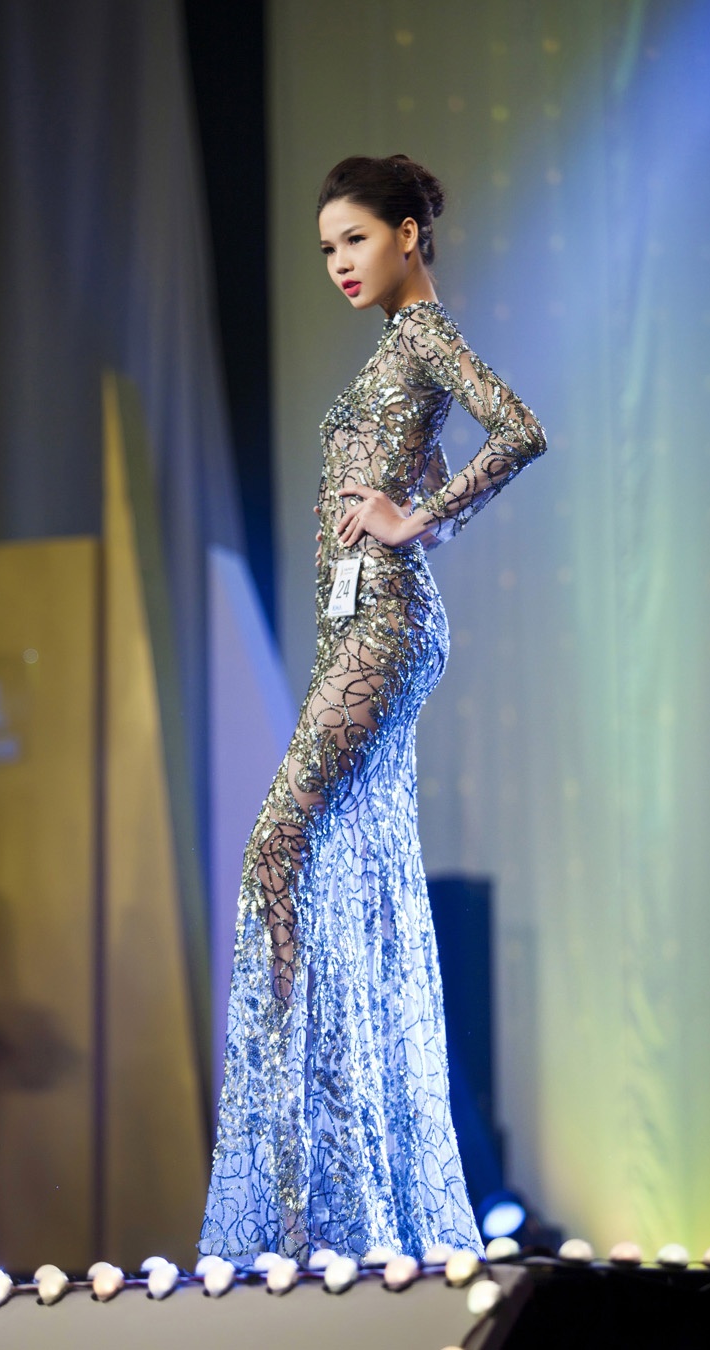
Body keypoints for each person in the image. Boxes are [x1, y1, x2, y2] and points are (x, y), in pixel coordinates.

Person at [198, 154, 546, 1264]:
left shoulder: (426, 336)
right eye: (325, 249)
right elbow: (427, 449)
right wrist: (419, 499)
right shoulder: (394, 350)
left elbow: (519, 429)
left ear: (406, 234)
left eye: (354, 239)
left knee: (276, 850)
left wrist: (419, 519)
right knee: (341, 876)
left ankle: (297, 1160)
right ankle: (340, 1183)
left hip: (385, 628)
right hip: (359, 632)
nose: (338, 263)